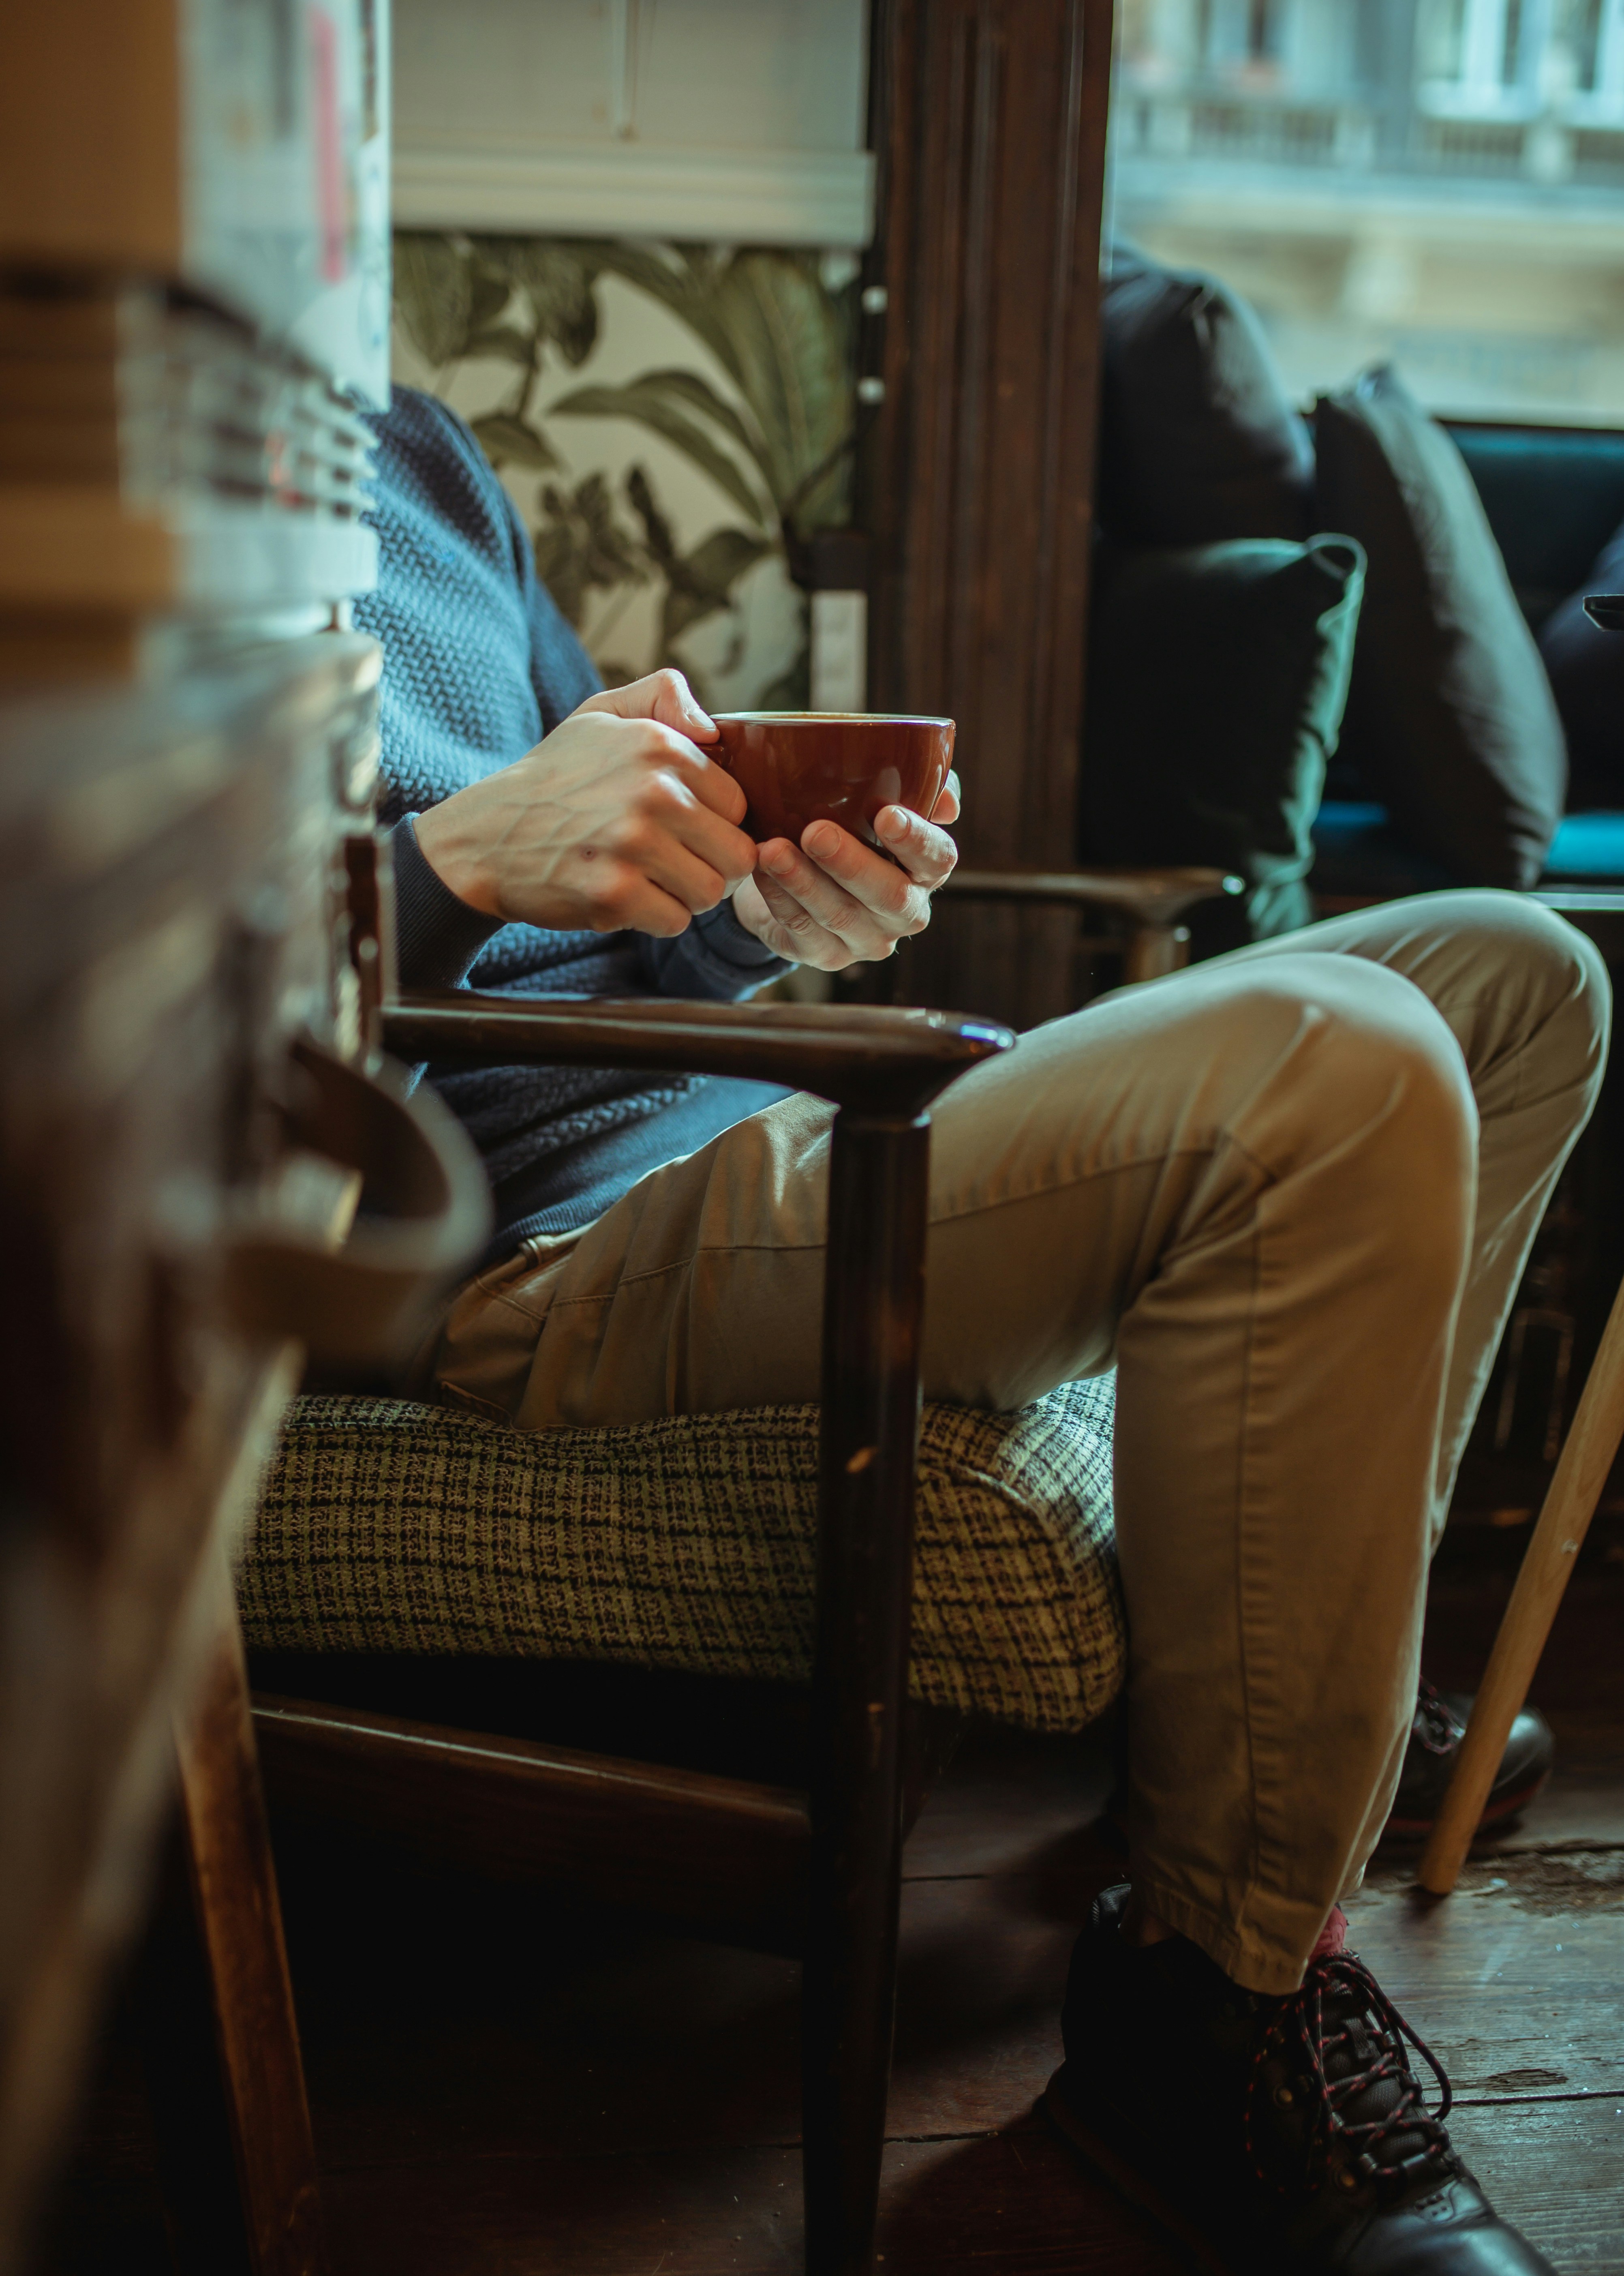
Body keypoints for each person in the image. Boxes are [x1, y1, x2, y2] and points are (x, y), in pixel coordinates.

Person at [357, 384, 1608, 2275]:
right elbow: (97, 1005)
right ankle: (1210, 2004)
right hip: (530, 1247)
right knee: (1344, 1062)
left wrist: (762, 914)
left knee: (1525, 976)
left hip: (747, 1114)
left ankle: (1290, 1712)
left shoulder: (412, 444)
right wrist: (440, 866)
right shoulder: (97, 500)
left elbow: (606, 925)